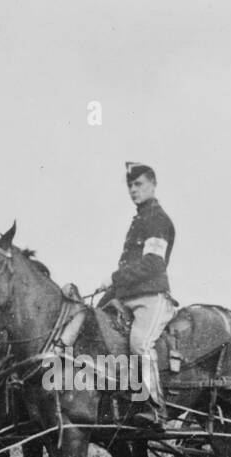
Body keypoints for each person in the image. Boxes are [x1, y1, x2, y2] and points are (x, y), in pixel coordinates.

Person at [97, 161, 176, 428]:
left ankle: (156, 409)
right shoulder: (140, 219)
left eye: (139, 184)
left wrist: (114, 278)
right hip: (128, 297)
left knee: (140, 343)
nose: (133, 189)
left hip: (152, 298)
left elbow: (153, 263)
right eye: (130, 185)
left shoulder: (157, 219)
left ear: (153, 184)